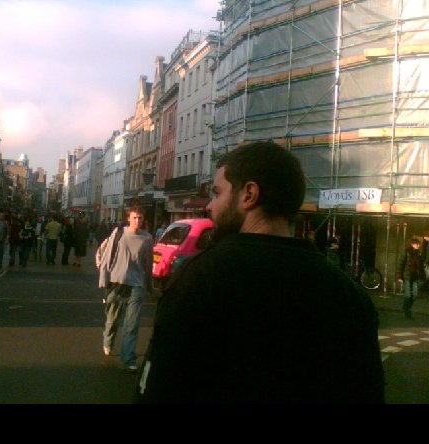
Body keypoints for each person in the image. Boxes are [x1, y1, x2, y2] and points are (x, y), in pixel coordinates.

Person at [134, 141, 385, 404]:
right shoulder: (349, 293)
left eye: (217, 194)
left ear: (249, 194)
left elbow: (159, 389)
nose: (210, 206)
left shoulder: (201, 278)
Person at [97, 206, 154, 373]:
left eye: (140, 218)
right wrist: (104, 279)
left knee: (132, 324)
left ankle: (128, 358)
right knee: (112, 318)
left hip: (136, 285)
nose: (137, 221)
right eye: (135, 217)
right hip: (117, 283)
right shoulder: (118, 233)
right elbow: (105, 254)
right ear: (129, 218)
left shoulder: (147, 239)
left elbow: (148, 264)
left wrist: (149, 285)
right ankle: (108, 340)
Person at [397, 235, 428, 319]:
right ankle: (407, 312)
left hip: (414, 277)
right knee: (408, 295)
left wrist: (423, 277)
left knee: (415, 295)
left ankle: (405, 307)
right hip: (407, 276)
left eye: (419, 244)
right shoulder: (406, 252)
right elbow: (401, 264)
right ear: (412, 244)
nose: (418, 246)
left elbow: (422, 263)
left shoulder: (419, 253)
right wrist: (399, 276)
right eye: (417, 244)